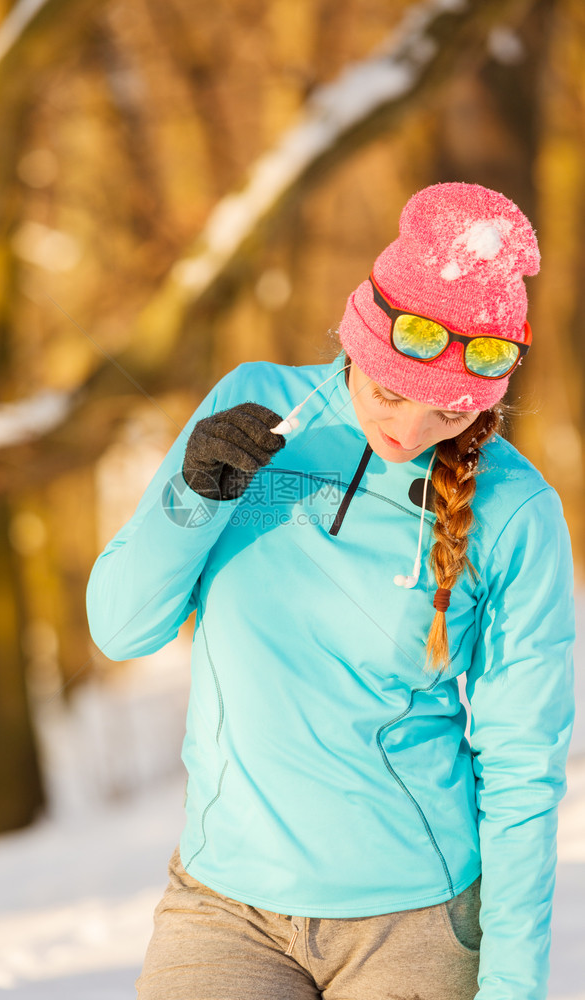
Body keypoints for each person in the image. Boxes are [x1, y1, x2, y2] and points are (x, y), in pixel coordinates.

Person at [86, 182, 575, 1000]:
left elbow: (523, 764)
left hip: (414, 922)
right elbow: (121, 629)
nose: (409, 433)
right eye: (389, 394)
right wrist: (192, 498)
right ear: (358, 340)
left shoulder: (515, 511)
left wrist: (513, 984)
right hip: (225, 906)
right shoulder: (251, 415)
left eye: (449, 414)